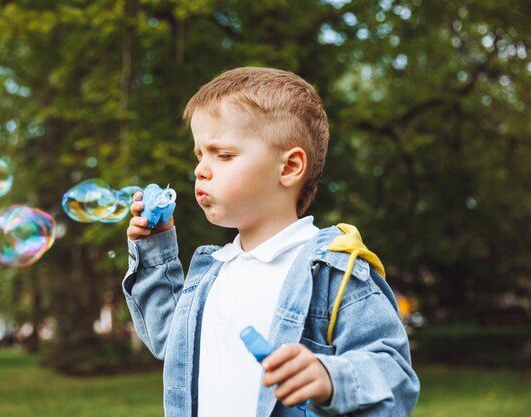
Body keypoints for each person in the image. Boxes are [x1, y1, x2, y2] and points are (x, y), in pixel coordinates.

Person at [123, 67, 420, 417]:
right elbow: (171, 344)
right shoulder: (212, 272)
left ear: (289, 167)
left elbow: (395, 375)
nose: (201, 170)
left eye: (224, 154)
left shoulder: (333, 270)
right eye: (199, 154)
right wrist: (156, 251)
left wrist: (330, 378)